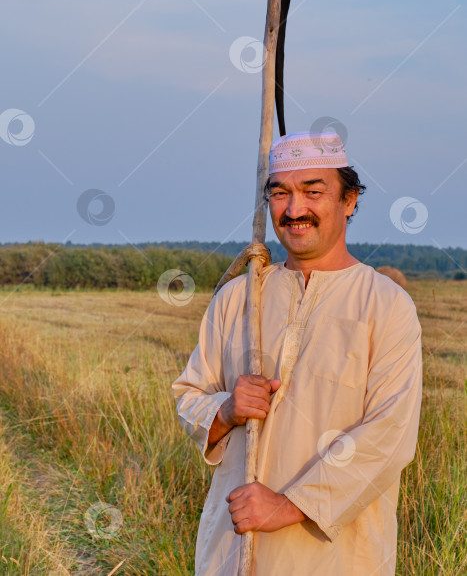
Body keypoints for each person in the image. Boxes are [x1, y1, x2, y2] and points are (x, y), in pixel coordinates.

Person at [172, 131, 423, 576]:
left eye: (313, 191)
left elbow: (391, 434)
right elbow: (189, 396)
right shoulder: (237, 298)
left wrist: (289, 506)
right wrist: (226, 410)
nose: (294, 210)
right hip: (234, 551)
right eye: (280, 193)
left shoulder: (385, 304)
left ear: (350, 200)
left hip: (340, 557)